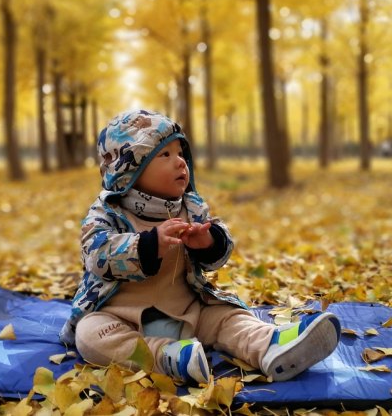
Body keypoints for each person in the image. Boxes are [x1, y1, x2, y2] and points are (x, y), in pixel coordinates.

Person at [60, 109, 340, 384]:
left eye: (181, 153)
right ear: (130, 169)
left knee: (229, 318)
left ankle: (271, 345)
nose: (180, 162)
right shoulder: (108, 212)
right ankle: (167, 357)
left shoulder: (191, 207)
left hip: (191, 312)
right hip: (122, 317)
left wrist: (209, 241)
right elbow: (96, 254)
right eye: (165, 155)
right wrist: (147, 245)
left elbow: (221, 247)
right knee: (90, 335)